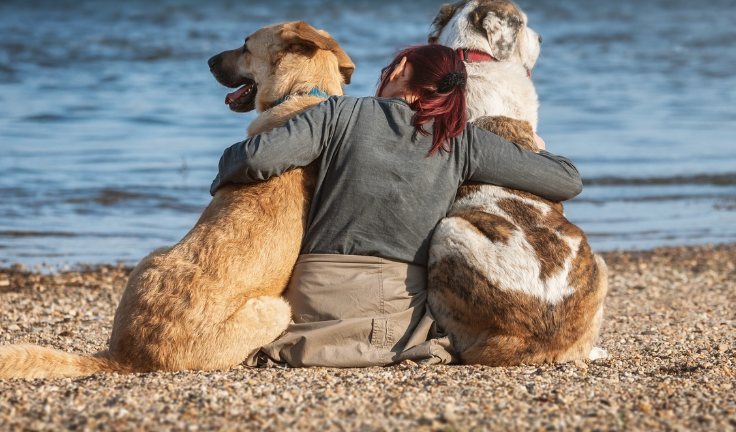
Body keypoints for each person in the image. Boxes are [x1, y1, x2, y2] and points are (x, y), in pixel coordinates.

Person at [210, 44, 582, 367]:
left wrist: (221, 175)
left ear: (401, 70)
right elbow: (567, 180)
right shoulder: (462, 141)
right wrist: (535, 144)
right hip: (395, 325)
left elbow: (255, 160)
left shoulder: (340, 113)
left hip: (312, 308)